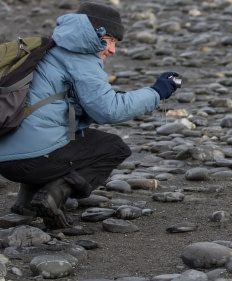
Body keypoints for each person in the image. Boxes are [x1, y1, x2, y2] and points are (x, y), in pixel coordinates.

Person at [0, 2, 180, 229]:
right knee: (113, 148)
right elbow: (109, 110)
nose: (113, 50)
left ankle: (23, 206)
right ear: (98, 33)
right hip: (32, 160)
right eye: (111, 41)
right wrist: (157, 92)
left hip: (5, 159)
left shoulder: (49, 48)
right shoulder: (81, 58)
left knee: (60, 135)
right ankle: (53, 195)